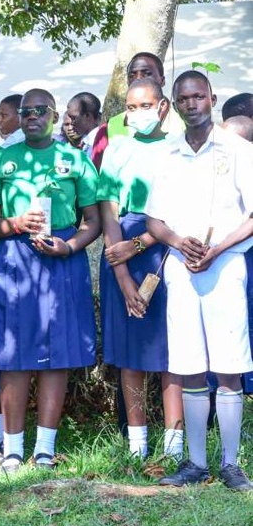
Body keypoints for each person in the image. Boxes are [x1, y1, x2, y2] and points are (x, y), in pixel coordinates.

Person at [0, 89, 100, 472]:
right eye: (25, 111)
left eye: (39, 111)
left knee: (56, 356)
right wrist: (13, 224)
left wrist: (69, 247)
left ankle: (44, 447)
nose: (31, 116)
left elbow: (93, 220)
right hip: (14, 259)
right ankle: (13, 448)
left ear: (54, 114)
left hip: (61, 260)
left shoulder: (75, 159)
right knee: (13, 356)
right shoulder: (1, 159)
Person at [145, 71, 253, 491]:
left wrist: (218, 248)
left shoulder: (238, 150)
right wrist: (176, 241)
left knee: (228, 365)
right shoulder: (167, 153)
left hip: (224, 265)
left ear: (212, 99)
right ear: (174, 104)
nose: (192, 104)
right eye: (184, 98)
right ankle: (194, 462)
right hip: (181, 266)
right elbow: (154, 218)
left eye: (198, 97)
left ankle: (230, 463)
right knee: (189, 365)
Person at [97, 79, 183, 461]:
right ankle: (136, 446)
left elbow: (182, 209)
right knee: (131, 353)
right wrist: (122, 272)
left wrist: (140, 244)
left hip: (165, 248)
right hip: (123, 252)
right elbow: (108, 210)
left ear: (163, 106)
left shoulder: (179, 148)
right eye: (130, 108)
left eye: (145, 105)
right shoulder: (117, 150)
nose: (137, 114)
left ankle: (174, 444)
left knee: (171, 352)